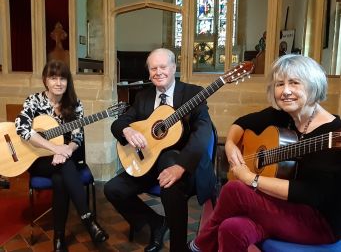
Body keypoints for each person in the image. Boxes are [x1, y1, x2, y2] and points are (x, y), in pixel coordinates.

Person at [188, 54, 341, 251]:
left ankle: (200, 245)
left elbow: (312, 193)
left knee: (235, 189)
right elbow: (242, 123)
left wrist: (252, 179)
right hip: (282, 206)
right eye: (279, 84)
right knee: (231, 228)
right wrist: (231, 145)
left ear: (313, 85)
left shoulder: (334, 133)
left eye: (294, 83)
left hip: (320, 222)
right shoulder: (282, 116)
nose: (285, 91)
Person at [104, 48, 215, 252]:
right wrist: (127, 131)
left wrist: (181, 166)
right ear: (148, 73)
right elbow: (118, 124)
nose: (158, 72)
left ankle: (178, 247)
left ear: (174, 68)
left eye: (163, 67)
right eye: (153, 68)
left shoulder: (193, 93)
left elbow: (203, 134)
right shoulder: (143, 97)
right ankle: (155, 222)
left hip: (183, 168)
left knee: (170, 169)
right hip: (149, 164)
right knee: (112, 189)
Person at [15, 60, 108, 252]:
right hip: (37, 159)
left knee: (60, 177)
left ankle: (58, 238)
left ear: (68, 81)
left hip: (63, 158)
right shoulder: (34, 101)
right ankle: (88, 220)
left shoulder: (74, 104)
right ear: (45, 80)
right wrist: (54, 148)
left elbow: (77, 137)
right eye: (53, 78)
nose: (58, 83)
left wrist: (66, 150)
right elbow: (22, 128)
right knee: (65, 166)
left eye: (62, 78)